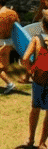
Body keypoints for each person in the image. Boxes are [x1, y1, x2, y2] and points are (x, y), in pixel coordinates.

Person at [22, 15, 48, 149]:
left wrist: (31, 71)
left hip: (39, 79)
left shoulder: (37, 39)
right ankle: (42, 142)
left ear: (43, 26)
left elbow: (25, 58)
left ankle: (31, 140)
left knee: (35, 109)